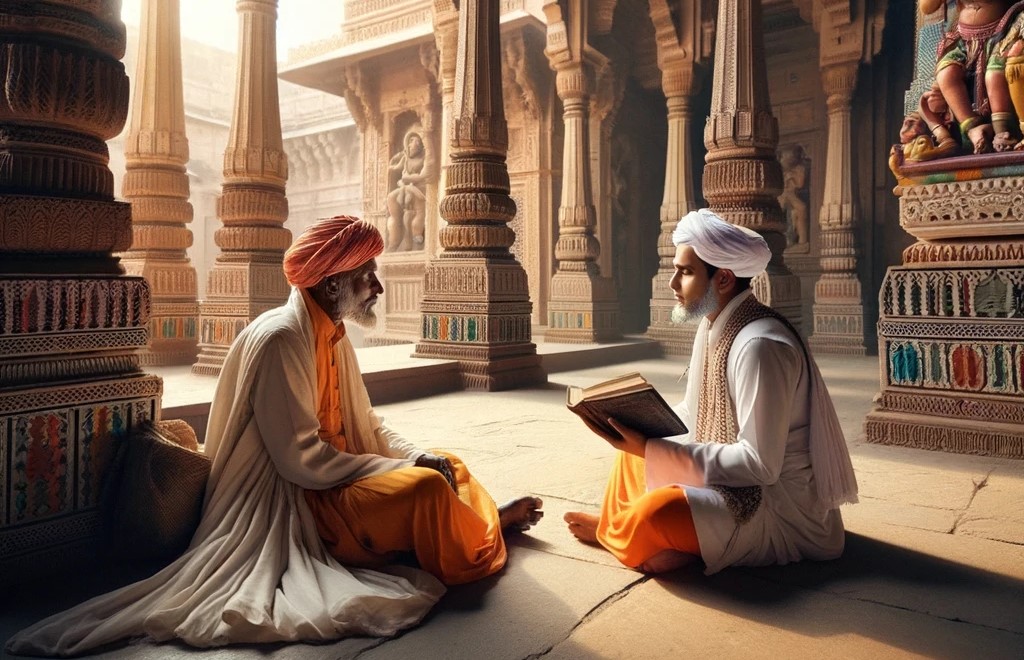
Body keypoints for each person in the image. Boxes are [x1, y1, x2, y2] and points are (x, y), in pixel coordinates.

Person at [7, 215, 543, 656]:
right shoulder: (283, 339)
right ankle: (475, 536)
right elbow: (302, 461)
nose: (377, 286)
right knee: (426, 489)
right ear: (332, 283)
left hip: (343, 475)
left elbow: (370, 426)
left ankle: (480, 522)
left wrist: (414, 455)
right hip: (307, 501)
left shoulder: (332, 334)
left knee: (445, 461)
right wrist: (398, 470)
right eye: (368, 274)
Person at [564, 209, 858, 575]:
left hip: (775, 507)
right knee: (631, 456)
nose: (673, 283)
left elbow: (760, 466)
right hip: (739, 484)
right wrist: (640, 425)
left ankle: (623, 533)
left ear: (722, 279)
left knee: (658, 511)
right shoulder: (713, 325)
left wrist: (654, 449)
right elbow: (695, 410)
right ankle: (626, 532)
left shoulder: (761, 347)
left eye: (685, 272)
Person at [921, 0, 1019, 152]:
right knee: (947, 73)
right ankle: (973, 128)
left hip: (1003, 31)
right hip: (964, 39)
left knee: (994, 74)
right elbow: (927, 8)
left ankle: (1003, 133)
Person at [385, 129, 428, 251]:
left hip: (419, 188)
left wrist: (406, 178)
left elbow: (423, 175)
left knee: (417, 215)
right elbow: (397, 168)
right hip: (406, 187)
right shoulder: (406, 158)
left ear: (421, 145)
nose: (413, 144)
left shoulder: (425, 158)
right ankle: (395, 235)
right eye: (411, 141)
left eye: (417, 141)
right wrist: (390, 166)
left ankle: (417, 239)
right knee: (391, 197)